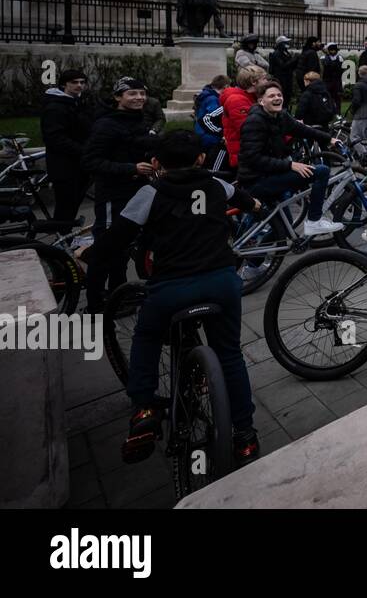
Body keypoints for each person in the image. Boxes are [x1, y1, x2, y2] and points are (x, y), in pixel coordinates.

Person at [83, 131, 261, 467]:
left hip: (172, 286)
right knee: (230, 355)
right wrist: (251, 205)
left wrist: (89, 254)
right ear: (202, 159)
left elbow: (116, 238)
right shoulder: (217, 186)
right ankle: (245, 435)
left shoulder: (150, 192)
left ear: (155, 164)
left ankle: (144, 408)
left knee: (147, 337)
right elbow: (249, 201)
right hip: (221, 282)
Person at [82, 78, 158, 307]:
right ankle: (94, 303)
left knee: (123, 249)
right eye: (132, 94)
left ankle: (119, 294)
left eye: (142, 94)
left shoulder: (138, 120)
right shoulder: (106, 124)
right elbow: (90, 161)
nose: (139, 98)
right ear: (118, 97)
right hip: (112, 195)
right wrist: (130, 169)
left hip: (135, 191)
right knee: (105, 249)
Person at [236, 79, 343, 236]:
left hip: (270, 175)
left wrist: (329, 139)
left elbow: (303, 130)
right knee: (321, 171)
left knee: (284, 231)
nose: (277, 98)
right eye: (271, 96)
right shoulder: (255, 122)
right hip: (257, 180)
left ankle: (252, 259)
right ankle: (314, 221)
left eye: (279, 95)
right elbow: (254, 158)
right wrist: (290, 166)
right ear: (261, 101)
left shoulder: (280, 116)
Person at [40, 67, 95, 223]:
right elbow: (55, 138)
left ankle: (64, 238)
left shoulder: (77, 103)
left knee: (72, 206)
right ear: (64, 85)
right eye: (74, 82)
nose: (79, 85)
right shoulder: (55, 107)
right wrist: (84, 150)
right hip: (64, 166)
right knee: (65, 207)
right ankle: (60, 240)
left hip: (79, 164)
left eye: (82, 82)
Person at [219, 65, 263, 172]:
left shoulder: (251, 97)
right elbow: (249, 129)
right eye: (264, 78)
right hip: (244, 156)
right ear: (253, 82)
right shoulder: (237, 100)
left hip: (251, 153)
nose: (267, 81)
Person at [194, 74, 229, 170]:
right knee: (211, 159)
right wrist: (220, 132)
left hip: (200, 133)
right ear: (226, 87)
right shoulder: (213, 99)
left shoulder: (206, 95)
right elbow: (213, 118)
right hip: (209, 136)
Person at [321, 43, 345, 108]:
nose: (333, 51)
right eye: (331, 50)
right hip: (327, 80)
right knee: (327, 97)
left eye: (334, 50)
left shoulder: (339, 58)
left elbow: (341, 70)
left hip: (336, 81)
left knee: (337, 97)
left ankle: (338, 112)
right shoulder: (324, 58)